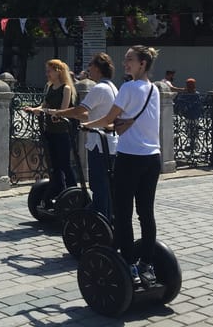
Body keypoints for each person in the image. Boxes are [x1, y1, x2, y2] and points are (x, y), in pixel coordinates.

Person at [83, 45, 161, 287]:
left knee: (123, 212)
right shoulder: (154, 89)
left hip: (130, 157)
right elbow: (123, 121)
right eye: (126, 59)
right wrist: (118, 123)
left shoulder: (128, 87)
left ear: (142, 64)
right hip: (153, 157)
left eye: (130, 60)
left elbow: (108, 119)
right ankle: (147, 264)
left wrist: (87, 125)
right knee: (146, 213)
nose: (125, 63)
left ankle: (128, 263)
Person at [55, 53, 118, 219]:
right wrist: (70, 116)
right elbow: (90, 115)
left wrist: (60, 112)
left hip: (99, 143)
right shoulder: (112, 87)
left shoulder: (99, 88)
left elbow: (81, 109)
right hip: (110, 143)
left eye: (90, 66)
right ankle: (108, 217)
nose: (88, 70)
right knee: (107, 185)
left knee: (98, 185)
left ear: (97, 68)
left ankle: (98, 218)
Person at [23, 59, 78, 200]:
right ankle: (58, 188)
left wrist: (46, 111)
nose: (47, 74)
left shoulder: (66, 88)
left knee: (64, 163)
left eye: (49, 71)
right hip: (50, 130)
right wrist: (34, 109)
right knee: (53, 164)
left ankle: (73, 190)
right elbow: (44, 105)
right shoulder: (49, 86)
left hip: (62, 131)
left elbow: (63, 110)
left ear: (58, 71)